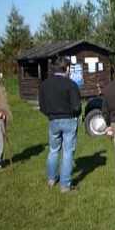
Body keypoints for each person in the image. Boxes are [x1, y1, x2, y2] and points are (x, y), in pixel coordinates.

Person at [39, 56, 81, 193]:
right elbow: (77, 107)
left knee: (53, 150)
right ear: (67, 68)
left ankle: (51, 179)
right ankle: (65, 185)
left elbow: (42, 106)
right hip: (69, 119)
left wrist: (51, 115)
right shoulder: (71, 85)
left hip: (53, 121)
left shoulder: (44, 84)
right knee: (68, 152)